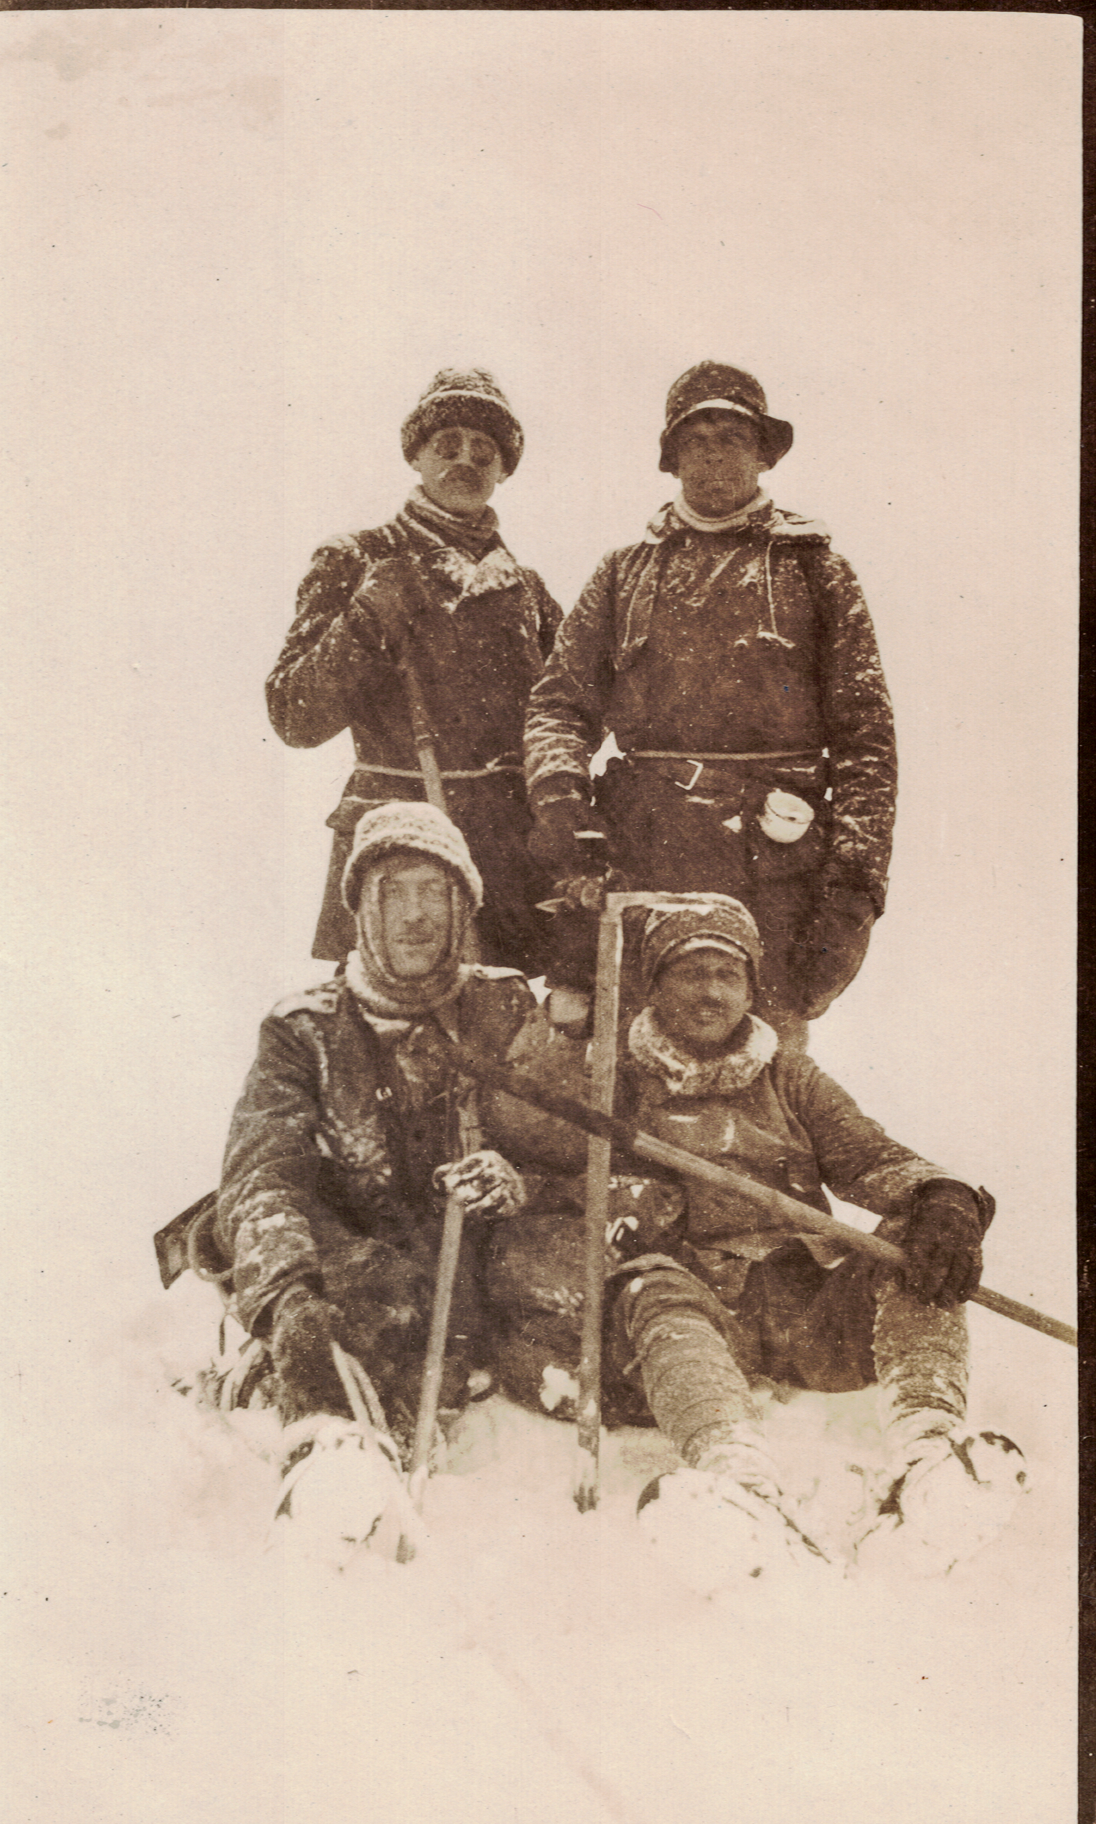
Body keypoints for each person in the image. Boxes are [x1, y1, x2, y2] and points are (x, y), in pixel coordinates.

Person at [480, 894, 1027, 1589]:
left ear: (749, 988)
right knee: (654, 1283)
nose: (711, 990)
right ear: (653, 984)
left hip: (805, 1314)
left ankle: (928, 1458)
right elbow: (540, 1152)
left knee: (912, 1249)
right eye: (690, 971)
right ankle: (737, 1481)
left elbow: (872, 1159)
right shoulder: (613, 1076)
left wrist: (942, 1200)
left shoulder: (788, 1077)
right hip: (690, 1319)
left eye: (727, 974)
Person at [155, 802, 573, 1555]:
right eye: (391, 893)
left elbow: (565, 1147)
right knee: (352, 1288)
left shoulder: (504, 1004)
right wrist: (286, 1296)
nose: (413, 916)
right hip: (347, 1238)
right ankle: (328, 1441)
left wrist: (518, 1179)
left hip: (466, 1249)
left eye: (431, 893)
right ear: (359, 911)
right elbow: (262, 1179)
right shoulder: (302, 1027)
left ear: (463, 906)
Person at [523, 360, 897, 1047]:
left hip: (772, 872)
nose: (715, 453)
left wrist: (853, 888)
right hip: (641, 851)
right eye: (697, 439)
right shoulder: (621, 574)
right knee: (604, 1054)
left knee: (764, 1066)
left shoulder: (815, 571)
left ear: (762, 452)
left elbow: (865, 738)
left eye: (733, 436)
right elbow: (558, 704)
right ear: (671, 459)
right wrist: (559, 800)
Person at [268, 368, 563, 976]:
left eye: (485, 452)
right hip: (395, 845)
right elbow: (294, 714)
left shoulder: (526, 591)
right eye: (446, 445)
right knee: (385, 1035)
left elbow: (573, 712)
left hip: (502, 860)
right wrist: (366, 618)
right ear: (417, 456)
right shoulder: (359, 559)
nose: (465, 462)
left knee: (501, 1038)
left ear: (504, 470)